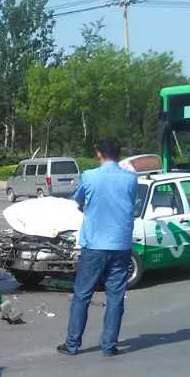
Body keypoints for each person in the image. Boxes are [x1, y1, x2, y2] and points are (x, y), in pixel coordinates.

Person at [59, 137, 139, 358]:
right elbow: (131, 204)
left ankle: (72, 344)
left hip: (94, 244)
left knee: (82, 294)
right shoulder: (131, 179)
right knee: (115, 296)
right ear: (119, 154)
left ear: (99, 154)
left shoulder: (89, 176)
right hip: (121, 245)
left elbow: (79, 202)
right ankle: (109, 345)